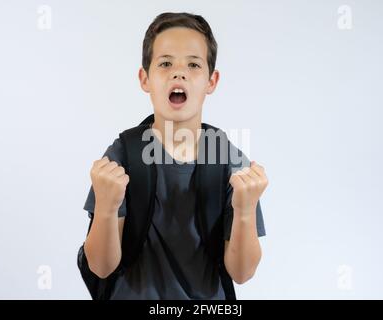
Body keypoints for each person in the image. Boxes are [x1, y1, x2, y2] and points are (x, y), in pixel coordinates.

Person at [78, 12, 269, 300]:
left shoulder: (230, 162)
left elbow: (241, 273)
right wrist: (106, 207)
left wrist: (244, 210)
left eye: (193, 64)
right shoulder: (123, 155)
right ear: (145, 79)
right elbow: (102, 267)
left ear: (211, 81)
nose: (178, 73)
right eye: (165, 63)